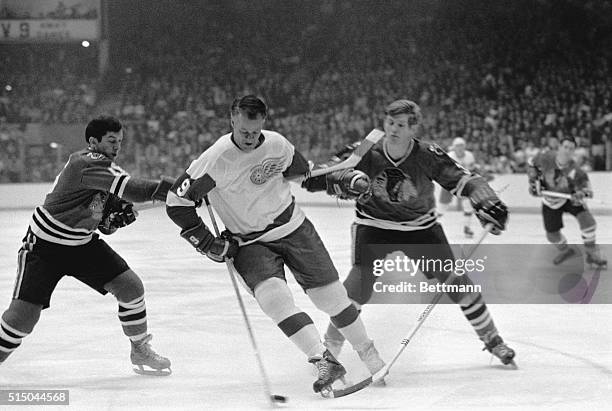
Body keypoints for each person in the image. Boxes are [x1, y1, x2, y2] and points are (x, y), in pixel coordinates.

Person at [166, 95, 384, 396]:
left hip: (294, 228)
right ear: (232, 119)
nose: (249, 137)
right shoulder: (215, 159)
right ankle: (323, 360)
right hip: (250, 242)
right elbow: (176, 202)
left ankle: (368, 353)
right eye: (243, 131)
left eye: (255, 132)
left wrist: (340, 181)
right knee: (274, 299)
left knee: (331, 299)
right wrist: (207, 242)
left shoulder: (277, 144)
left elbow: (303, 176)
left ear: (263, 123)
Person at [303, 99, 516, 366]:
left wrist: (486, 198)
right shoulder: (365, 149)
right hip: (373, 226)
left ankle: (493, 340)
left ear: (413, 128)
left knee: (458, 283)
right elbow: (322, 174)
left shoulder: (427, 154)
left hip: (420, 229)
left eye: (401, 125)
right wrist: (327, 178)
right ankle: (330, 352)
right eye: (390, 123)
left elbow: (464, 179)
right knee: (357, 288)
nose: (393, 130)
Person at [0, 116, 173, 376]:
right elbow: (135, 190)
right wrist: (176, 189)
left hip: (82, 245)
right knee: (23, 318)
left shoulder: (105, 171)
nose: (117, 146)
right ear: (93, 142)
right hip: (45, 247)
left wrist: (110, 222)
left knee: (130, 287)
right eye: (111, 141)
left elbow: (102, 222)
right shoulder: (87, 162)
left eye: (120, 142)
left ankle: (139, 348)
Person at [527, 135, 607, 268]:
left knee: (588, 222)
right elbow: (531, 163)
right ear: (559, 147)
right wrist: (533, 182)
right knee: (552, 235)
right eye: (565, 147)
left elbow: (587, 189)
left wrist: (581, 194)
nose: (567, 150)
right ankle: (566, 251)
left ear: (573, 151)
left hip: (569, 197)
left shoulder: (576, 170)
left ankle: (591, 254)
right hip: (551, 200)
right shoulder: (545, 157)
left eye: (571, 148)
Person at [438, 137, 478, 238]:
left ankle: (467, 228)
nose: (460, 148)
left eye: (462, 146)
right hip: (449, 182)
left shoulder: (469, 156)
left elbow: (472, 170)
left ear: (464, 147)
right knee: (442, 208)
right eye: (458, 146)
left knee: (468, 205)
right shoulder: (450, 156)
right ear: (454, 148)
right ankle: (431, 226)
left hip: (463, 183)